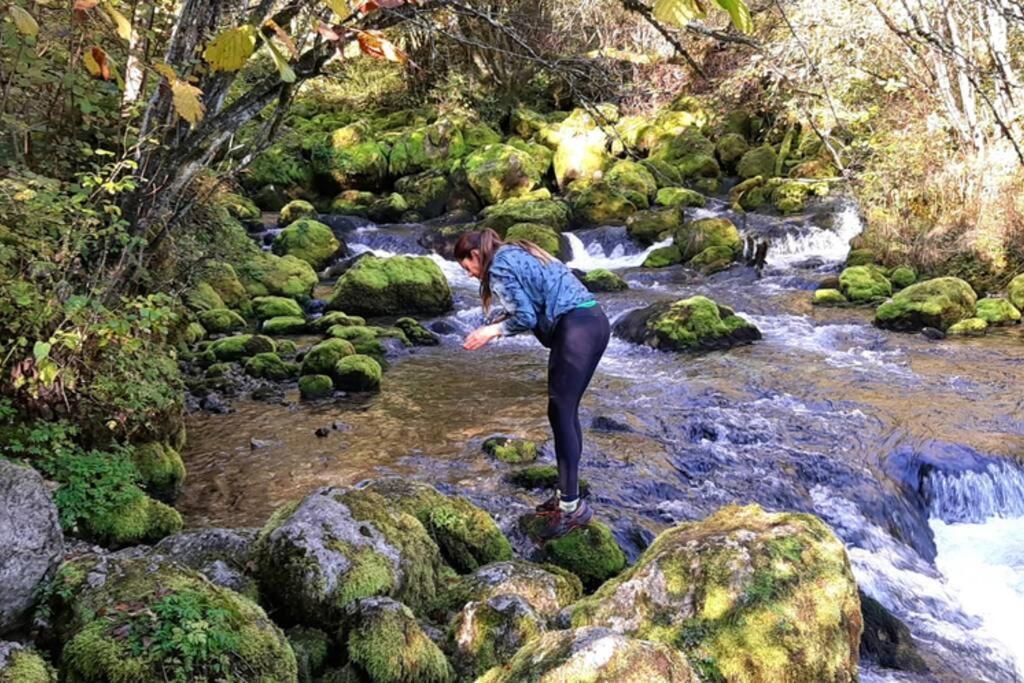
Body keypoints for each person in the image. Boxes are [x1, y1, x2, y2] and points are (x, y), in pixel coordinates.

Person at [455, 228, 610, 539]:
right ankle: (569, 495)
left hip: (576, 329)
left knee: (561, 412)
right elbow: (535, 300)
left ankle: (571, 507)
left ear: (475, 255)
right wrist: (499, 321)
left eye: (467, 267)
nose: (471, 275)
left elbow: (525, 316)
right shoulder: (517, 250)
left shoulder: (497, 266)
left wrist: (491, 332)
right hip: (594, 322)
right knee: (566, 412)